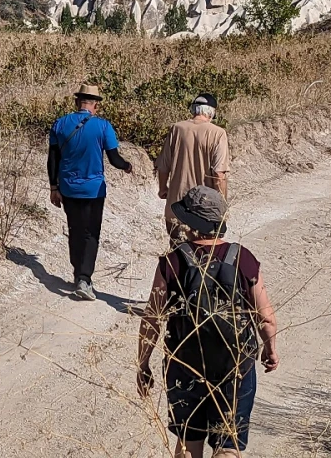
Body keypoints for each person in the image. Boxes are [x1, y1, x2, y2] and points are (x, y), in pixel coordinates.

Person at [136, 186, 279, 458]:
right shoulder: (242, 258)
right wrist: (270, 349)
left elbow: (152, 319)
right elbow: (266, 318)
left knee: (188, 443)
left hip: (184, 366)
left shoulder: (173, 261)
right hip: (234, 368)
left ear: (190, 223)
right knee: (228, 444)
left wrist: (143, 365)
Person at [47, 83, 132, 301]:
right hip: (94, 190)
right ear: (95, 105)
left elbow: (53, 159)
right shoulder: (103, 127)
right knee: (91, 233)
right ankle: (85, 279)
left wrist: (54, 187)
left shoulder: (60, 124)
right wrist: (128, 166)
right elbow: (114, 159)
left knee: (75, 230)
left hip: (67, 187)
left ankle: (78, 274)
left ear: (77, 102)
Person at [156, 93, 230, 240]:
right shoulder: (218, 133)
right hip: (204, 210)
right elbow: (219, 175)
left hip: (176, 206)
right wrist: (223, 203)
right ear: (212, 113)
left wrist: (163, 188)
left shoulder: (176, 129)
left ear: (193, 110)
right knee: (202, 256)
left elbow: (163, 166)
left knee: (176, 255)